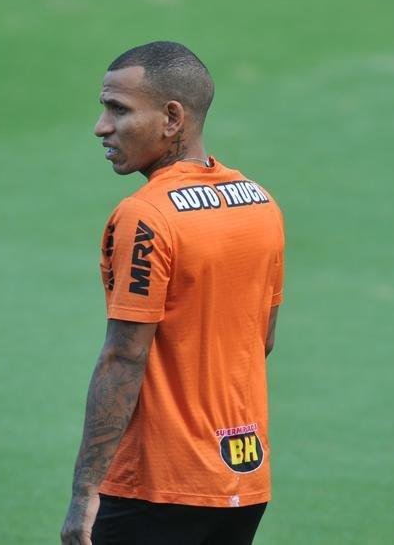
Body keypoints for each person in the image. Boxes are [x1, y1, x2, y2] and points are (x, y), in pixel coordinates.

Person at [61, 41, 285, 545]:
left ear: (171, 117)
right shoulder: (260, 204)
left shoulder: (147, 216)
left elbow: (124, 357)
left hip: (157, 488)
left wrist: (84, 494)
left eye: (118, 109)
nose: (102, 126)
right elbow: (261, 338)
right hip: (242, 483)